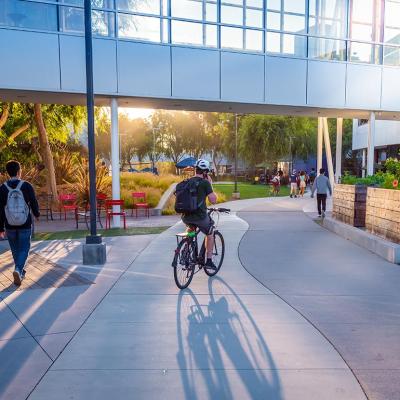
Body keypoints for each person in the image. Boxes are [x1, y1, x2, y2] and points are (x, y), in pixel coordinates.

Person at [0, 160, 40, 285]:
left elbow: (0, 209)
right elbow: (33, 202)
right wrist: (37, 214)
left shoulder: (2, 188)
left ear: (8, 172)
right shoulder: (26, 185)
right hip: (25, 223)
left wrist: (0, 228)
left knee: (15, 249)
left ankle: (20, 272)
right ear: (19, 171)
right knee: (24, 248)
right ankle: (18, 269)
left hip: (9, 225)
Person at [181, 159, 218, 270]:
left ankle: (186, 251)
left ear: (196, 170)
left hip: (186, 216)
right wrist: (210, 184)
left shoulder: (187, 181)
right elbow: (213, 200)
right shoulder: (205, 183)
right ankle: (209, 261)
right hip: (200, 217)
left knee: (191, 228)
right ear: (205, 172)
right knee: (210, 233)